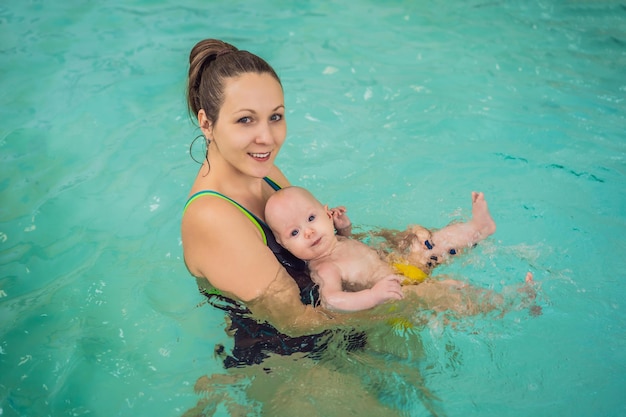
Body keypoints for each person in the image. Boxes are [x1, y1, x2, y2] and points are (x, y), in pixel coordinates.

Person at [265, 186, 511, 312]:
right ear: (284, 245)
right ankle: (507, 303)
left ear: (327, 213)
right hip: (396, 293)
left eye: (311, 218)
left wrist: (345, 228)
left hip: (397, 268)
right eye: (294, 233)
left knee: (426, 243)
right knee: (450, 293)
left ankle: (478, 228)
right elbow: (331, 299)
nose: (308, 231)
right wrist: (374, 296)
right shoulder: (324, 267)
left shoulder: (335, 240)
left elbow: (349, 248)